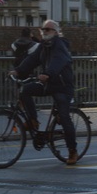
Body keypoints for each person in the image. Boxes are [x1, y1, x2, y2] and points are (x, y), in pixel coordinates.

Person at [9, 19, 78, 165]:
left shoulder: (60, 45)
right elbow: (32, 60)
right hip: (48, 83)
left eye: (47, 30)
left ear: (55, 32)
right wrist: (18, 71)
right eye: (43, 29)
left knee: (64, 118)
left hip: (62, 87)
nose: (44, 32)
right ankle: (34, 121)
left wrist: (47, 73)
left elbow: (58, 62)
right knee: (25, 91)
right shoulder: (43, 46)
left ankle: (73, 151)